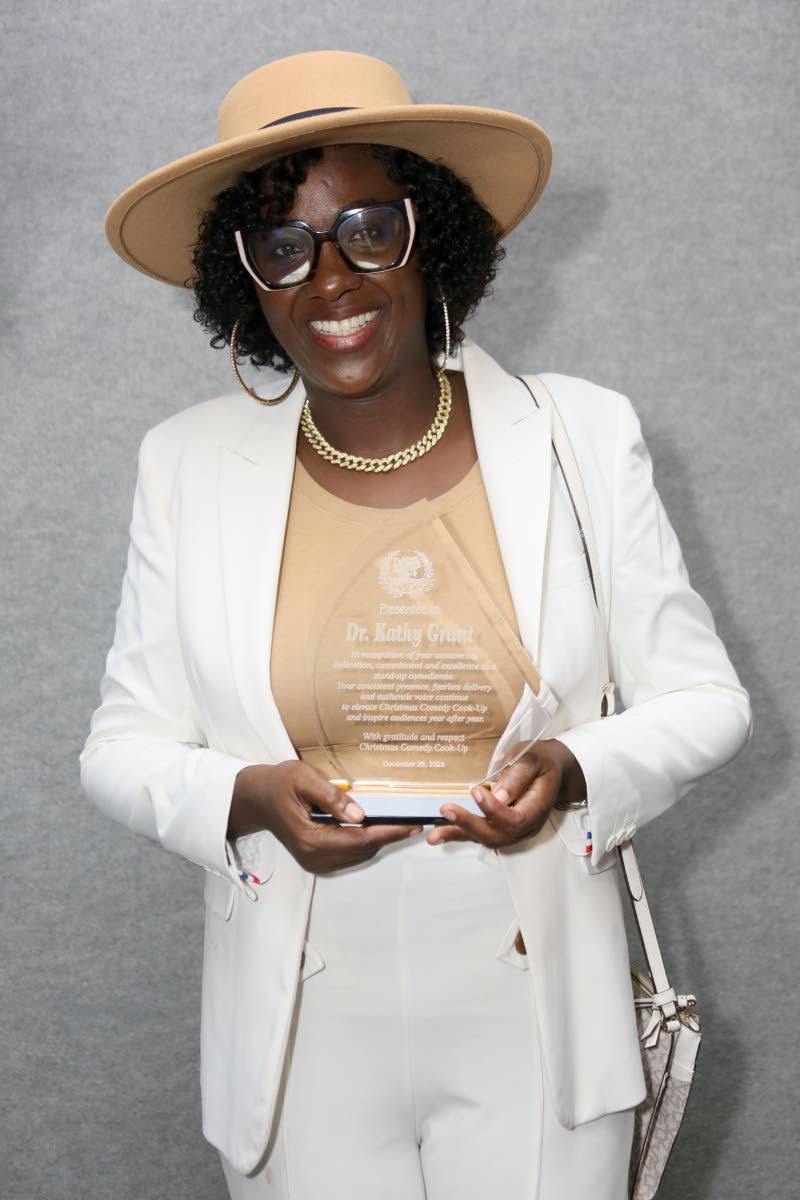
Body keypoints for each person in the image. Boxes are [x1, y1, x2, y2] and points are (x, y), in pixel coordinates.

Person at [81, 51, 751, 1200]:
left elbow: (707, 701)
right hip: (297, 1026)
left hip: (533, 1009)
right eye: (283, 247)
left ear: (429, 238)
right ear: (244, 280)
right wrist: (244, 796)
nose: (330, 278)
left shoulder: (576, 438)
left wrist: (576, 765)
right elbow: (120, 747)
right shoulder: (185, 464)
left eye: (367, 230)